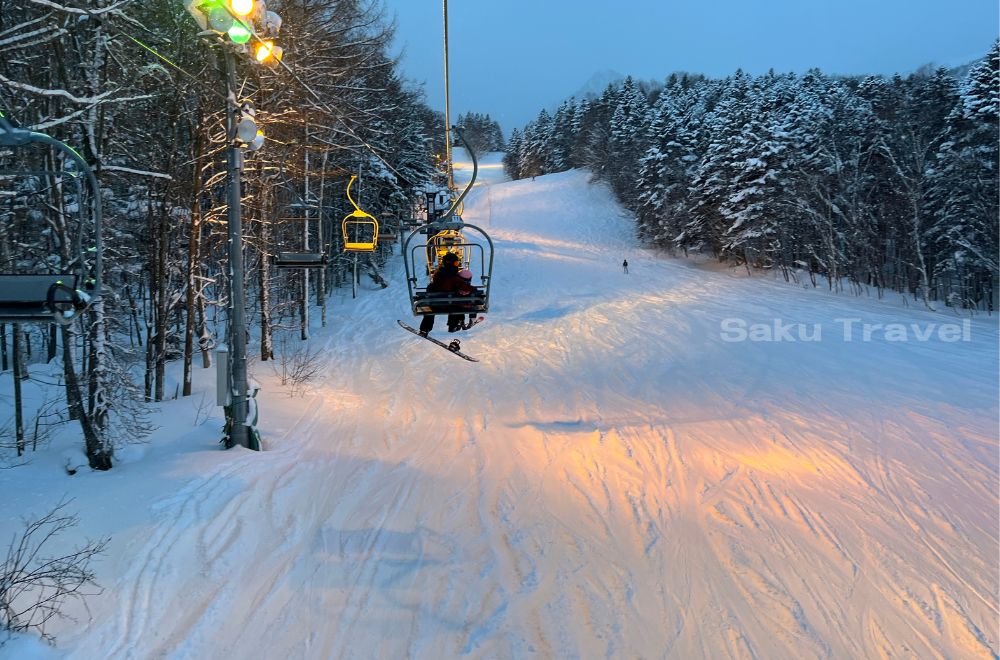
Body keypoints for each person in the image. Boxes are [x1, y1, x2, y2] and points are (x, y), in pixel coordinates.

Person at [418, 252, 464, 336]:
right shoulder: (456, 277)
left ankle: (425, 329)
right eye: (456, 263)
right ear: (450, 263)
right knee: (458, 304)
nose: (457, 265)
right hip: (450, 305)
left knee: (430, 307)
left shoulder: (438, 274)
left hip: (436, 305)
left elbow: (431, 288)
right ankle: (453, 325)